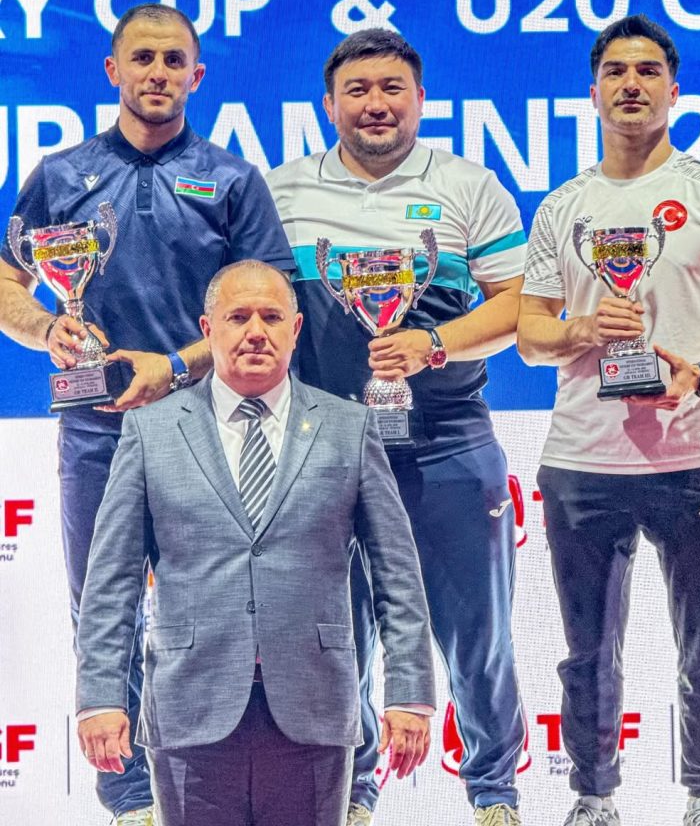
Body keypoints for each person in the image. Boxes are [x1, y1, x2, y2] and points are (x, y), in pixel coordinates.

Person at [0, 5, 294, 825]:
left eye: (173, 60)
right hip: (98, 433)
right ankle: (129, 799)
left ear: (196, 76)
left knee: (221, 616)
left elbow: (270, 302)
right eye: (142, 58)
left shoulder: (233, 180)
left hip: (212, 432)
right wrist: (47, 327)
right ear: (112, 70)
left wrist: (180, 366)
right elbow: (8, 281)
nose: (157, 73)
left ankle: (209, 786)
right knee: (104, 612)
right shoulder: (60, 175)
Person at [267, 29, 528, 826]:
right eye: (358, 90)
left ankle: (494, 795)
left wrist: (435, 343)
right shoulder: (281, 191)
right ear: (329, 104)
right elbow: (257, 310)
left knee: (478, 633)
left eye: (391, 89)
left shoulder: (467, 184)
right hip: (322, 449)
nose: (375, 104)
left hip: (449, 439)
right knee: (335, 636)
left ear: (420, 99)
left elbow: (520, 304)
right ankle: (353, 794)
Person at [517, 14, 700, 826]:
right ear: (592, 93)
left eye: (648, 71)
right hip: (581, 458)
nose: (632, 84)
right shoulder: (564, 207)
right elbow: (530, 335)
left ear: (674, 89)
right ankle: (594, 798)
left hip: (688, 452)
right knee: (587, 650)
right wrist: (582, 331)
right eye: (616, 72)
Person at [76, 260, 435, 826]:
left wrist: (408, 694)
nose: (255, 332)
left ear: (295, 329)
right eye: (238, 317)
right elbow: (111, 581)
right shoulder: (149, 431)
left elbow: (398, 574)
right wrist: (100, 697)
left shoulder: (351, 427)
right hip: (189, 710)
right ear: (208, 328)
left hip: (315, 709)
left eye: (271, 317)